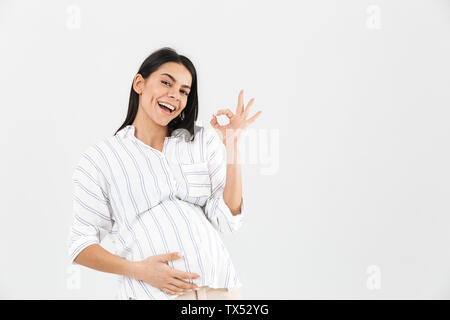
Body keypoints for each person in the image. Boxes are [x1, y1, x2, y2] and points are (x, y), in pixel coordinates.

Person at [67, 47, 262, 300]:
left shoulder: (201, 141)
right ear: (140, 83)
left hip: (221, 291)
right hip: (153, 295)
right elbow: (80, 245)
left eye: (184, 91)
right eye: (166, 83)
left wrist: (233, 145)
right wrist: (140, 271)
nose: (174, 95)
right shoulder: (101, 158)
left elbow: (228, 220)